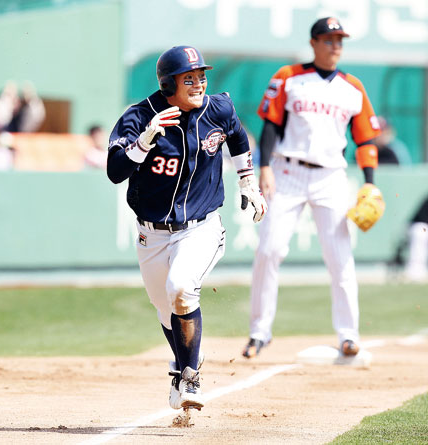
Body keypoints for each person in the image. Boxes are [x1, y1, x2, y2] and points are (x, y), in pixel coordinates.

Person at [107, 45, 267, 411]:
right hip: (152, 233)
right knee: (166, 311)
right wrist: (143, 141)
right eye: (189, 78)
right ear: (167, 85)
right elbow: (115, 171)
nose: (198, 83)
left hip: (202, 226)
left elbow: (239, 137)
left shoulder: (218, 108)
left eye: (201, 76)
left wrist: (247, 182)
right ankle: (183, 364)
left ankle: (191, 376)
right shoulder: (139, 117)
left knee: (181, 288)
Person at [242, 17, 382, 360]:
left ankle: (349, 335)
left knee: (340, 257)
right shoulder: (288, 77)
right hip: (287, 171)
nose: (335, 46)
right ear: (314, 42)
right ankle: (259, 332)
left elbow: (365, 140)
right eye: (329, 39)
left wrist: (370, 184)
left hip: (331, 177)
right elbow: (271, 124)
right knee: (269, 251)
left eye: (340, 40)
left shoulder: (353, 87)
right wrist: (264, 167)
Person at [403, 195, 428, 282]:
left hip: (419, 227)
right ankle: (414, 273)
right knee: (418, 251)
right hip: (419, 227)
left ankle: (417, 272)